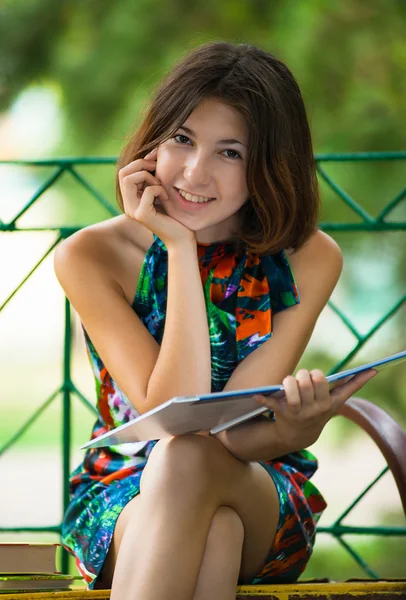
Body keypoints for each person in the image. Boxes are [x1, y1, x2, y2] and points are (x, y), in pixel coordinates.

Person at [55, 41, 376, 600]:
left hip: (252, 481)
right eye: (181, 139)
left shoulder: (307, 257)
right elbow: (169, 410)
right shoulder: (90, 256)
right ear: (155, 139)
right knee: (214, 534)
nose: (194, 173)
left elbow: (227, 437)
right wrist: (178, 251)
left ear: (270, 165)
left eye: (230, 153)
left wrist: (295, 431)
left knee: (192, 464)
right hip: (120, 491)